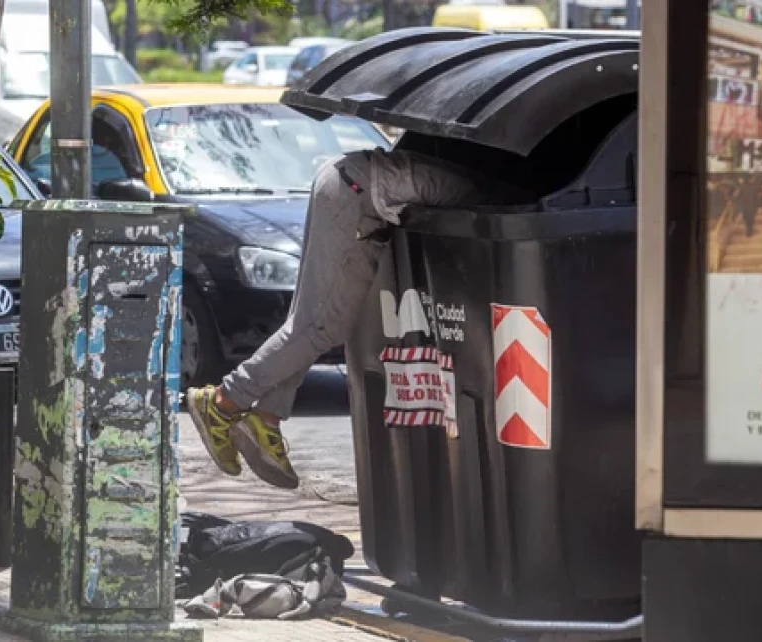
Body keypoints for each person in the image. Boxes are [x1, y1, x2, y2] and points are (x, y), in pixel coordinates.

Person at [185, 148, 531, 488]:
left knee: (309, 322)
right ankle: (223, 401)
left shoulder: (472, 178)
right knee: (320, 326)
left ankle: (267, 418)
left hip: (350, 186)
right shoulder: (483, 197)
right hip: (355, 195)